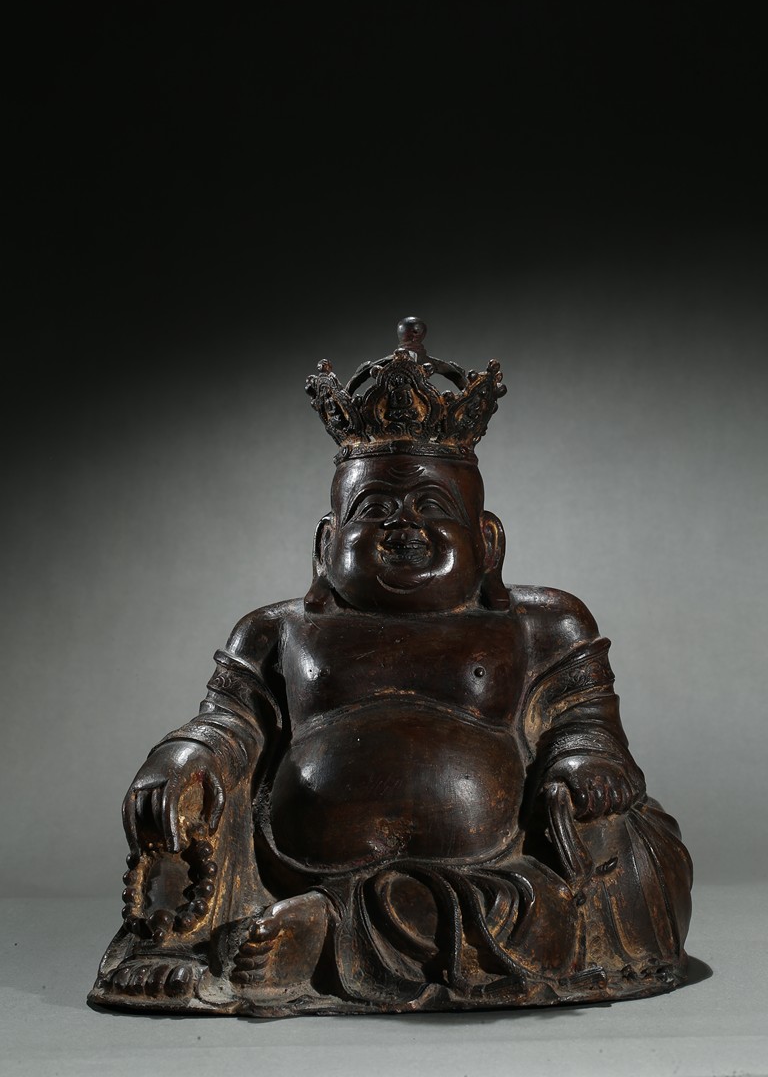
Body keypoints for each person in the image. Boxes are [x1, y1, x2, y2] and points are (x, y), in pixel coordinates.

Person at [90, 319, 692, 1016]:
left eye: (432, 506)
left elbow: (584, 722)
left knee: (630, 857)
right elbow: (228, 723)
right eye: (374, 509)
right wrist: (184, 756)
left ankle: (325, 932)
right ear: (326, 545)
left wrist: (585, 763)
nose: (403, 525)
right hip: (290, 862)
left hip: (499, 877)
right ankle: (217, 936)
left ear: (488, 543)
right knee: (196, 808)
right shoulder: (278, 630)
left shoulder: (544, 624)